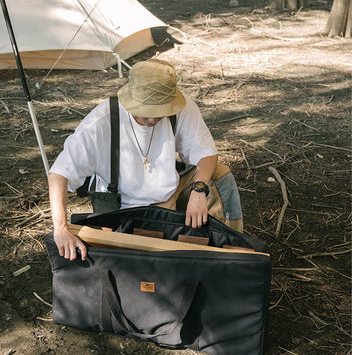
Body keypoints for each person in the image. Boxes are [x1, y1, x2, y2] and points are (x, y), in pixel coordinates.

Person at [48, 59, 243, 261]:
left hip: (169, 196)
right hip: (123, 209)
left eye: (161, 112)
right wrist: (60, 228)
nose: (154, 119)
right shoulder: (101, 122)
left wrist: (199, 189)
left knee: (219, 174)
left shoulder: (181, 106)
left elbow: (207, 153)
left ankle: (231, 250)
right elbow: (59, 174)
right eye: (148, 112)